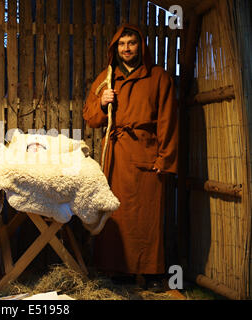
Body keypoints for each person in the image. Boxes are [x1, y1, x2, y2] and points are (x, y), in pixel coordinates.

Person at [83, 24, 178, 291]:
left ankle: (151, 273)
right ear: (116, 48)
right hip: (117, 156)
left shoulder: (159, 77)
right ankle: (119, 272)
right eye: (122, 44)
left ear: (141, 46)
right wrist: (102, 102)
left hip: (147, 155)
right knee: (117, 213)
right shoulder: (107, 78)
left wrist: (165, 158)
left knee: (148, 217)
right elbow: (90, 117)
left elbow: (168, 120)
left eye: (132, 43)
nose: (127, 48)